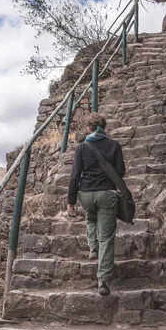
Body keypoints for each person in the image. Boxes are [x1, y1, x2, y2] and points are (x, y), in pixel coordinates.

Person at [67, 113, 125, 296]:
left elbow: (75, 175)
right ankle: (103, 281)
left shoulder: (82, 147)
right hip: (107, 194)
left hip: (86, 194)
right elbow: (120, 172)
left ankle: (93, 247)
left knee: (91, 218)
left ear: (88, 128)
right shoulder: (114, 145)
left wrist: (71, 201)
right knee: (107, 238)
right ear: (104, 128)